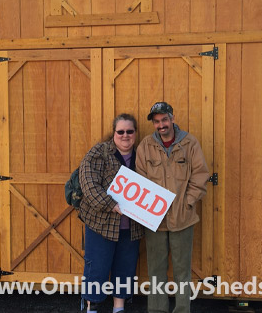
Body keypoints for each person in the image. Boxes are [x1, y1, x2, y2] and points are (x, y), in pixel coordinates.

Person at [136, 102, 210, 313]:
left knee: (182, 271)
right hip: (155, 221)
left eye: (164, 120)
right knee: (156, 271)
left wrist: (188, 202)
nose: (161, 125)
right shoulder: (145, 146)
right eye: (157, 121)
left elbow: (200, 174)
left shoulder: (190, 143)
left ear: (172, 118)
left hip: (183, 219)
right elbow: (140, 178)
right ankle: (157, 310)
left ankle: (182, 310)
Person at [79, 113, 144, 313]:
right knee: (96, 267)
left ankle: (119, 307)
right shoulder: (100, 152)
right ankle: (91, 307)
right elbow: (88, 184)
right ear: (114, 133)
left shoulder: (143, 154)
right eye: (120, 131)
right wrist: (110, 204)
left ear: (135, 133)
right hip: (101, 223)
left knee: (125, 267)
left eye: (129, 131)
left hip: (131, 226)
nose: (125, 135)